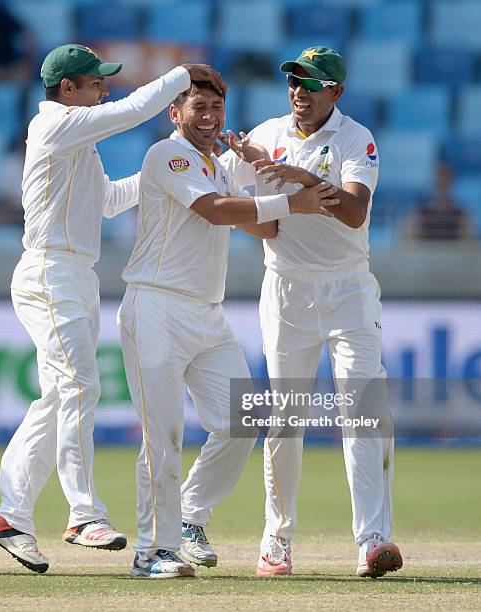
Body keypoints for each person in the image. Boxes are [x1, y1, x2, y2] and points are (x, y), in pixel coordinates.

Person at [0, 43, 228, 574]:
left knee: (62, 392)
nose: (104, 88)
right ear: (68, 90)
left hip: (75, 274)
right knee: (79, 385)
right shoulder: (55, 125)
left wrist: (178, 171)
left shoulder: (76, 142)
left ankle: (12, 513)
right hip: (50, 270)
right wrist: (181, 74)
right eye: (96, 83)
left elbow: (109, 202)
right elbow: (133, 110)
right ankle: (83, 513)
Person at [118, 78, 339, 578]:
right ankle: (152, 550)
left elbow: (264, 228)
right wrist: (291, 202)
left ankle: (190, 518)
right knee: (163, 435)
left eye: (218, 107)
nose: (210, 117)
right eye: (199, 106)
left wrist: (264, 173)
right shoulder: (165, 156)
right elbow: (215, 213)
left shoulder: (217, 165)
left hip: (206, 315)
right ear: (175, 113)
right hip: (155, 307)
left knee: (241, 420)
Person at [219, 46, 403, 578]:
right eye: (294, 80)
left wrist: (296, 178)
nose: (299, 91)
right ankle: (276, 541)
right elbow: (237, 200)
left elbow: (353, 211)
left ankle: (373, 540)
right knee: (286, 419)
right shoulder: (267, 133)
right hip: (286, 289)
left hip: (349, 291)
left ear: (336, 92)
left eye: (312, 83)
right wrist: (255, 218)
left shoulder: (355, 137)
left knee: (365, 415)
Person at [406, 162, 474, 241]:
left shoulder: (462, 215)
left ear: (452, 183)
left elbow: (468, 244)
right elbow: (409, 243)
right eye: (439, 183)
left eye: (445, 183)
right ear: (433, 183)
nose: (442, 186)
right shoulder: (419, 215)